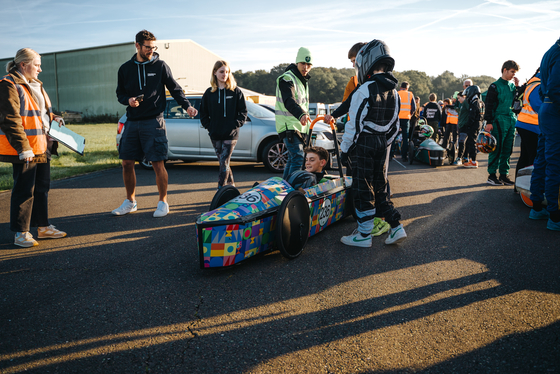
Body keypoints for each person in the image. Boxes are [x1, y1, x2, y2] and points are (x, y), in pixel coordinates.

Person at [114, 30, 197, 217]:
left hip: (154, 121)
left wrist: (187, 106)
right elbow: (120, 93)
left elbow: (174, 88)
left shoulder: (160, 66)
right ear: (137, 45)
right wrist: (128, 100)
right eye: (147, 47)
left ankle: (162, 202)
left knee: (157, 162)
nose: (151, 50)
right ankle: (130, 201)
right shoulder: (125, 69)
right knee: (127, 162)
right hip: (132, 121)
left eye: (153, 47)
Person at [339, 39, 406, 247]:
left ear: (365, 62)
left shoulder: (364, 89)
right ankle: (396, 226)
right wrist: (384, 142)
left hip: (364, 143)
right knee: (380, 187)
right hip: (382, 143)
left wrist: (344, 149)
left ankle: (364, 234)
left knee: (362, 187)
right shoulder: (395, 92)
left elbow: (354, 124)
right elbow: (395, 126)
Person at [0, 48, 67, 248]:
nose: (40, 69)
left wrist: (54, 118)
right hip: (26, 148)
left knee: (41, 188)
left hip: (42, 144)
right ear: (23, 64)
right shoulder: (8, 84)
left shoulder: (35, 84)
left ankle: (43, 227)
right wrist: (23, 147)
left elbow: (40, 112)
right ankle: (21, 233)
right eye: (36, 64)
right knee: (24, 189)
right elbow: (10, 119)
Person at [200, 60, 247, 190]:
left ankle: (220, 191)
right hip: (215, 134)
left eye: (226, 72)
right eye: (221, 72)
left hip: (231, 134)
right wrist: (209, 126)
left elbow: (243, 112)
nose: (224, 74)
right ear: (215, 73)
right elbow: (203, 113)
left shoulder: (235, 92)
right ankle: (232, 187)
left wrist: (235, 124)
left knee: (224, 161)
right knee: (223, 163)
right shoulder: (209, 93)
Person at [529, 37, 560, 231]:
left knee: (542, 159)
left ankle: (536, 206)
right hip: (555, 111)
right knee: (554, 162)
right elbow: (556, 88)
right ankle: (555, 216)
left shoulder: (550, 51)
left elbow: (544, 89)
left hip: (547, 109)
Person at [275, 47, 312, 180]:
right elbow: (288, 100)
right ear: (297, 63)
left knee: (292, 158)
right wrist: (301, 114)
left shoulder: (303, 81)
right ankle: (291, 190)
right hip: (289, 126)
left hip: (298, 126)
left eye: (309, 65)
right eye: (303, 63)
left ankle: (285, 188)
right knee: (298, 157)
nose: (306, 67)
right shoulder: (287, 78)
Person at [483, 60, 520, 186]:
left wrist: (518, 87)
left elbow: (517, 102)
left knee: (508, 149)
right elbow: (488, 105)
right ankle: (492, 175)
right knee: (497, 148)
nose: (513, 75)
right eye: (512, 72)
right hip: (499, 119)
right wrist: (488, 122)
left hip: (511, 119)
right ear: (505, 70)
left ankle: (504, 175)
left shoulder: (512, 86)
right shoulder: (494, 86)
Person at [514, 69, 542, 182]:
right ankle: (529, 185)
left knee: (524, 156)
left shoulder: (532, 83)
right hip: (532, 125)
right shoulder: (538, 84)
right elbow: (538, 105)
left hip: (524, 123)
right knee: (533, 156)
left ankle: (518, 185)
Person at [458, 85, 485, 168]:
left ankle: (473, 161)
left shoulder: (474, 103)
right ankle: (472, 160)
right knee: (472, 141)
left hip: (474, 124)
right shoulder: (481, 102)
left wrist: (468, 125)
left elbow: (471, 116)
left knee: (471, 142)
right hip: (479, 123)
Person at [396, 82, 416, 161]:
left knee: (393, 136)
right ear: (407, 88)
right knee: (405, 138)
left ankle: (390, 155)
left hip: (397, 118)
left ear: (401, 87)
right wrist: (410, 115)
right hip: (406, 118)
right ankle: (404, 156)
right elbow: (413, 108)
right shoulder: (410, 94)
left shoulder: (397, 93)